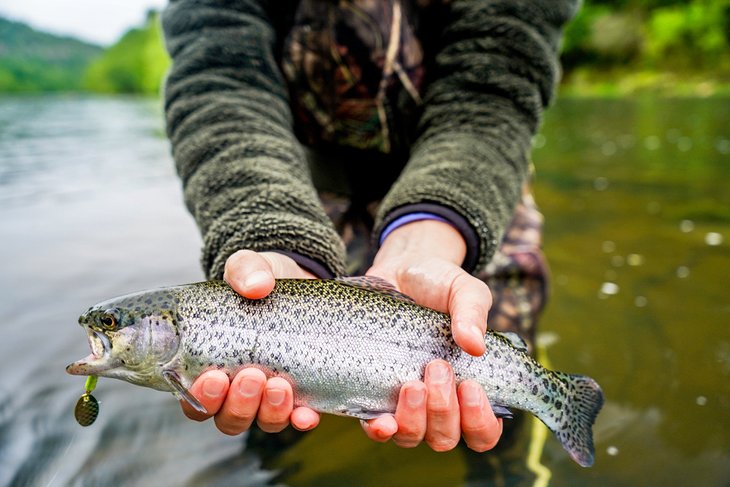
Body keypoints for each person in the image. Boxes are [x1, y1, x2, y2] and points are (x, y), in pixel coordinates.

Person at [161, 0, 577, 453]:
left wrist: (432, 234)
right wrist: (271, 238)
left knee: (483, 364)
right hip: (293, 189)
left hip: (471, 180)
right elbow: (221, 83)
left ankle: (517, 448)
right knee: (259, 397)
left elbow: (494, 83)